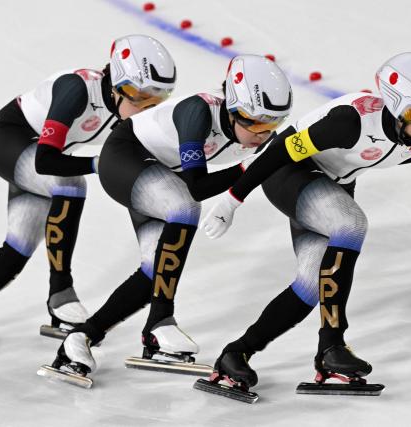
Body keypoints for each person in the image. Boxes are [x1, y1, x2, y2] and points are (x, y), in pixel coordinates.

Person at [200, 52, 411, 392]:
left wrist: (335, 193)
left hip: (330, 187)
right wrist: (232, 199)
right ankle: (333, 346)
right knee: (351, 224)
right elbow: (278, 151)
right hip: (288, 173)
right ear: (398, 108)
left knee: (310, 286)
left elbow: (357, 163)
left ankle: (236, 354)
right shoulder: (348, 122)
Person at [0, 35, 177, 359]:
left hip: (42, 160)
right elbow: (46, 161)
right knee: (72, 183)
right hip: (8, 141)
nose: (145, 108)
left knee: (17, 249)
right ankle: (61, 290)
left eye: (157, 100)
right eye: (139, 97)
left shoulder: (126, 108)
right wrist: (99, 164)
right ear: (117, 83)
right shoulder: (77, 89)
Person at [46, 54, 293, 379]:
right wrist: (250, 166)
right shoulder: (198, 112)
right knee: (184, 207)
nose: (262, 135)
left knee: (155, 269)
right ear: (233, 109)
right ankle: (162, 318)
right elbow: (198, 187)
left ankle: (83, 337)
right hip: (125, 157)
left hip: (159, 174)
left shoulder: (253, 129)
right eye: (257, 124)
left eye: (271, 125)